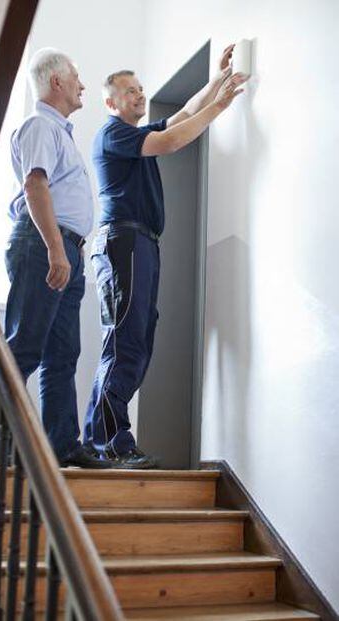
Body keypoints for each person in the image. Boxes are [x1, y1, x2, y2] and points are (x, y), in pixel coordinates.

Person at [84, 44, 248, 468]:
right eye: (130, 91)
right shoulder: (113, 132)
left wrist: (217, 81)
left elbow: (179, 117)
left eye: (141, 89)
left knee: (133, 341)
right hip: (124, 242)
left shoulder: (132, 134)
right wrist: (223, 106)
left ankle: (101, 437)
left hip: (139, 243)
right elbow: (175, 139)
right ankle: (109, 443)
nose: (139, 95)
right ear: (111, 102)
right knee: (125, 341)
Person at [5, 48, 111, 468]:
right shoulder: (39, 126)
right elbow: (35, 187)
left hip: (66, 249)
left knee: (63, 354)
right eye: (77, 78)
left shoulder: (60, 133)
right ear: (57, 82)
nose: (82, 85)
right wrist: (54, 249)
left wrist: (66, 251)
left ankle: (62, 448)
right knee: (25, 346)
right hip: (44, 246)